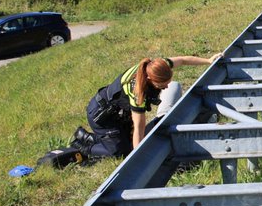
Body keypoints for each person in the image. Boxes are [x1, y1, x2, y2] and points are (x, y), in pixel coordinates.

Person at [82, 53, 222, 159]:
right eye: (162, 85)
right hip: (101, 117)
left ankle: (101, 139)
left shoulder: (158, 66)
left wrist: (208, 60)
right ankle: (84, 146)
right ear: (150, 79)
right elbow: (139, 127)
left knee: (128, 141)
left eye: (168, 82)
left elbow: (183, 60)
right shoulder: (138, 92)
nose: (167, 87)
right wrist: (138, 157)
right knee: (121, 152)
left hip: (118, 114)